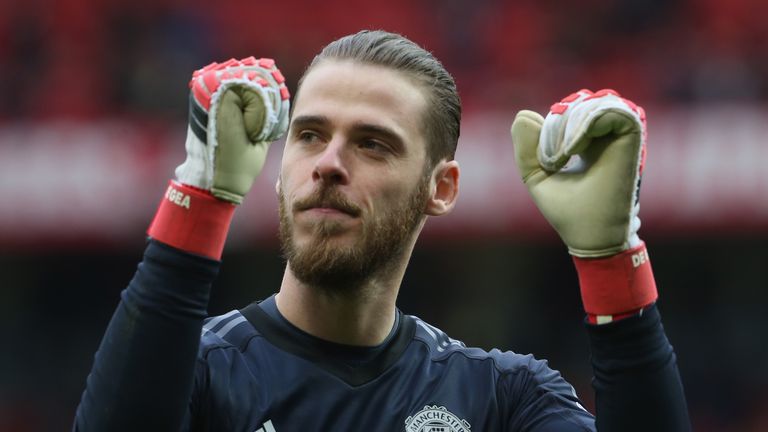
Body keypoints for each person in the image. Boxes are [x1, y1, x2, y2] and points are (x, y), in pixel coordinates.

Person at [74, 30, 691, 431]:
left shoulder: (500, 399)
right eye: (310, 135)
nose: (329, 163)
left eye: (372, 144)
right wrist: (199, 200)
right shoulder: (199, 372)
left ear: (440, 188)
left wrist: (611, 256)